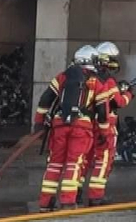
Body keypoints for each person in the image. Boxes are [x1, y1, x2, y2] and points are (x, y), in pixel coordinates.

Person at [34, 45, 117, 211]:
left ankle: (45, 202)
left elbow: (45, 99)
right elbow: (102, 112)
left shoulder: (62, 77)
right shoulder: (96, 82)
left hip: (59, 125)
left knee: (54, 163)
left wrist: (38, 124)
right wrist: (104, 132)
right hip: (81, 128)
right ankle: (68, 202)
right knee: (74, 163)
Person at [82, 41, 135, 207]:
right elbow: (118, 102)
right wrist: (128, 93)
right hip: (106, 126)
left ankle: (74, 193)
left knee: (85, 160)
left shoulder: (92, 78)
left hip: (90, 125)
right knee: (103, 160)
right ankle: (96, 197)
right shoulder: (109, 81)